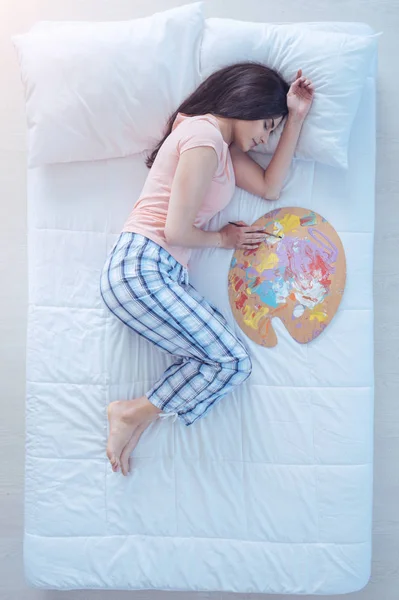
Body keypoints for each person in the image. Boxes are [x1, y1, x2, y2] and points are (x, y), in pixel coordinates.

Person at [99, 61, 314, 476]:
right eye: (267, 125)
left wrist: (295, 118)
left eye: (271, 130)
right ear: (245, 102)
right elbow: (176, 230)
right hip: (142, 266)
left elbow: (271, 187)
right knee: (232, 361)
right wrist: (225, 240)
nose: (265, 137)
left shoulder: (220, 145)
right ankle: (130, 413)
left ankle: (135, 415)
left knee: (216, 361)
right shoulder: (202, 137)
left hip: (152, 273)